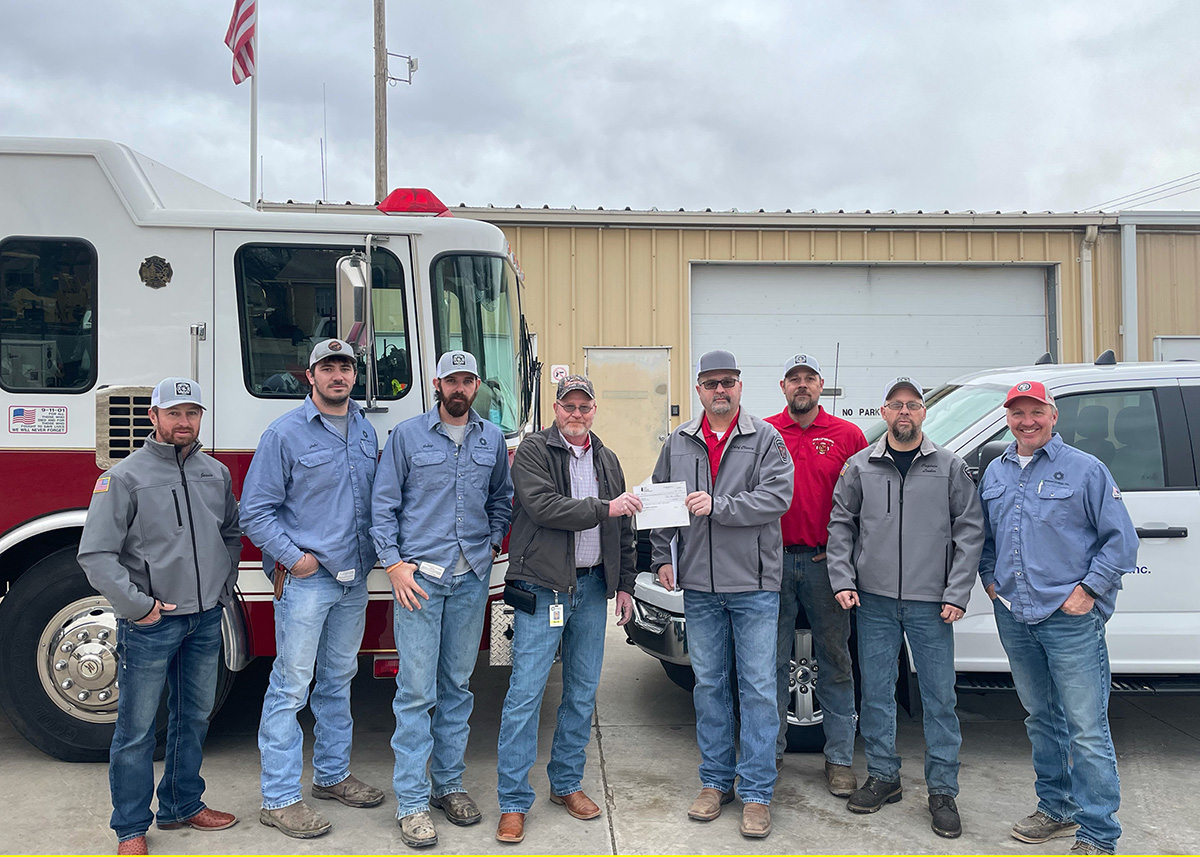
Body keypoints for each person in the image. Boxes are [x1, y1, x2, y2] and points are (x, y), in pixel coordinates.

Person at [77, 377, 241, 855]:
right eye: (174, 413)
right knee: (135, 731)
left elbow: (230, 533)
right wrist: (139, 607)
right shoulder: (124, 478)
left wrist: (220, 584)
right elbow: (97, 555)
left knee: (193, 718)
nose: (184, 422)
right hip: (152, 624)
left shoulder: (216, 474)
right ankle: (130, 827)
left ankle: (182, 804)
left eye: (192, 413)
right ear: (154, 417)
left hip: (206, 619)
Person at [978, 381, 1138, 856]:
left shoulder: (1086, 470)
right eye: (1017, 412)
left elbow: (1121, 541)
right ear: (1007, 417)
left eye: (1036, 411)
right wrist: (990, 579)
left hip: (1068, 619)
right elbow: (987, 539)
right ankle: (1056, 808)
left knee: (1086, 728)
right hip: (1015, 613)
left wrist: (1088, 591)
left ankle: (1098, 833)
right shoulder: (996, 471)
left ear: (1053, 415)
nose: (1026, 421)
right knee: (1040, 717)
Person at [827, 376, 984, 839]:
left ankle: (942, 791)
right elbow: (841, 525)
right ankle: (883, 776)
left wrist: (957, 593)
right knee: (876, 694)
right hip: (873, 601)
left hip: (931, 604)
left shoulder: (949, 467)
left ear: (923, 413)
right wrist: (843, 579)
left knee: (939, 699)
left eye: (912, 405)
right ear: (883, 412)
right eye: (895, 405)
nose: (904, 413)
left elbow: (969, 532)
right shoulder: (860, 467)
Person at [240, 338, 384, 839]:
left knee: (339, 678)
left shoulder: (365, 429)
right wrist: (295, 559)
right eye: (328, 368)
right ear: (311, 376)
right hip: (308, 581)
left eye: (345, 367)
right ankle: (278, 798)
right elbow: (253, 511)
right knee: (290, 685)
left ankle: (331, 775)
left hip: (353, 579)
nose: (338, 375)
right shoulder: (284, 434)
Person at [371, 350, 514, 848]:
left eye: (467, 380)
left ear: (477, 386)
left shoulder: (491, 438)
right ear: (437, 383)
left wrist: (492, 541)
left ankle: (448, 785)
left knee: (458, 684)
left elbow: (502, 499)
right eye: (451, 380)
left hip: (471, 577)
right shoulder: (407, 437)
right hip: (419, 583)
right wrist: (393, 564)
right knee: (415, 691)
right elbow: (382, 505)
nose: (459, 388)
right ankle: (411, 802)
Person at [649, 349, 794, 840]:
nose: (719, 391)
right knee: (709, 687)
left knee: (756, 689)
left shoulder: (766, 438)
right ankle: (714, 783)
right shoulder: (679, 443)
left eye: (727, 382)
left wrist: (719, 505)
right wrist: (662, 558)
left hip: (753, 585)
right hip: (701, 588)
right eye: (710, 383)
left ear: (739, 386)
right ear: (698, 390)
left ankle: (756, 792)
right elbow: (661, 502)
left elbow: (778, 496)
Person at [494, 375, 642, 844]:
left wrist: (623, 585)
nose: (576, 414)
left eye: (584, 406)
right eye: (568, 406)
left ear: (594, 409)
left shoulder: (607, 458)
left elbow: (625, 528)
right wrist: (606, 507)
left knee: (581, 692)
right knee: (526, 695)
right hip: (544, 590)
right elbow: (544, 508)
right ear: (555, 409)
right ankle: (514, 802)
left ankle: (566, 784)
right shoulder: (534, 451)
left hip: (593, 587)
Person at [764, 353, 867, 792]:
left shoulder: (848, 435)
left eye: (809, 378)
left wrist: (852, 560)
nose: (801, 385)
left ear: (822, 385)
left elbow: (868, 502)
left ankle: (840, 758)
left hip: (827, 565)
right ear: (783, 387)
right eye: (794, 379)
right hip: (770, 565)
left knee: (836, 662)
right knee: (767, 665)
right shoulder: (765, 433)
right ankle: (767, 756)